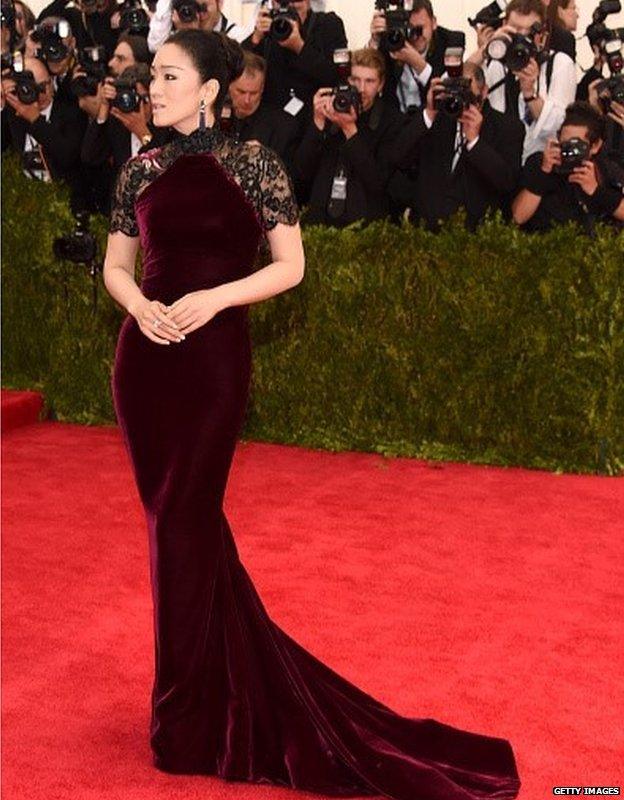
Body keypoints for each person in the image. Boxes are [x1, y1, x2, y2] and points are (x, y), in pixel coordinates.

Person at [103, 26, 522, 800]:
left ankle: (189, 711)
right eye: (150, 75)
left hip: (214, 362)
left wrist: (213, 298)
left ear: (207, 89)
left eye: (165, 76)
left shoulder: (254, 162)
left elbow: (291, 266)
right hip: (145, 365)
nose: (148, 87)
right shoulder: (138, 169)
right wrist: (142, 307)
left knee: (186, 521)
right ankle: (197, 697)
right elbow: (116, 265)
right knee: (173, 527)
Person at [389, 63, 525, 229]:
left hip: (476, 237)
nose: (463, 102)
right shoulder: (436, 120)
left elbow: (507, 183)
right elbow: (398, 157)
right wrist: (428, 114)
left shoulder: (508, 128)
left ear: (484, 91)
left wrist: (475, 142)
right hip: (426, 232)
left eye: (469, 95)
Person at [294, 47, 406, 226]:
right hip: (320, 225)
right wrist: (318, 123)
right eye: (355, 79)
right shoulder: (330, 110)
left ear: (381, 84)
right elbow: (301, 171)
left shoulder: (392, 122)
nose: (361, 89)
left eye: (369, 81)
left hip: (366, 230)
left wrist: (349, 130)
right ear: (347, 79)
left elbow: (379, 182)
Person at [467, 0, 576, 163]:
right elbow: (455, 85)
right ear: (504, 26)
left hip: (538, 165)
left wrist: (529, 93)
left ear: (542, 32)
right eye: (515, 31)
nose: (522, 39)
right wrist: (486, 49)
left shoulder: (559, 63)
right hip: (495, 162)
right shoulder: (493, 63)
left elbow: (560, 126)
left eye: (530, 32)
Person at [512, 101, 624, 231]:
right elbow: (518, 217)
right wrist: (543, 173)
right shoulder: (540, 163)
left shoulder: (607, 168)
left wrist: (596, 191)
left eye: (576, 145)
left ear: (595, 146)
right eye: (565, 143)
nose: (569, 151)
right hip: (547, 244)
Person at [242, 0, 347, 112]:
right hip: (273, 116)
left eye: (296, 1)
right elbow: (237, 69)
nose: (290, 6)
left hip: (315, 113)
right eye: (282, 2)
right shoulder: (271, 28)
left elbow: (337, 77)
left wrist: (299, 47)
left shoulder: (328, 25)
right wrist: (256, 38)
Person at [368, 0, 465, 115]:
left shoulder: (450, 42)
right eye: (410, 29)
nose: (415, 36)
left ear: (433, 23)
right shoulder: (392, 39)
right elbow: (368, 73)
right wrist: (375, 41)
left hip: (435, 121)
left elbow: (446, 93)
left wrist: (418, 64)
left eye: (420, 29)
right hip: (395, 122)